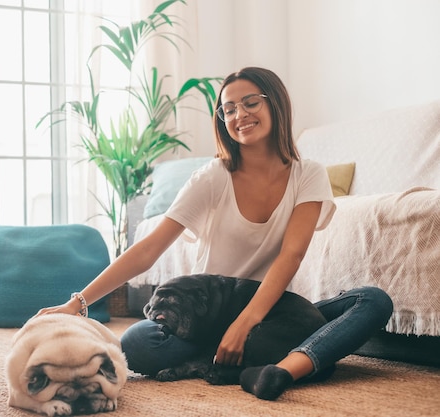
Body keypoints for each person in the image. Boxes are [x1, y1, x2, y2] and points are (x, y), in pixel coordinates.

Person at [36, 67, 394, 401]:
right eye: (229, 109)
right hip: (209, 318)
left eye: (251, 102)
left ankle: (281, 372)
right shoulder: (213, 176)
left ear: (276, 103)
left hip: (272, 314)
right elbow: (150, 248)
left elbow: (292, 255)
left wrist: (246, 322)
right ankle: (278, 359)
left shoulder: (308, 174)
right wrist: (78, 303)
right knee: (137, 344)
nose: (240, 115)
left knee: (373, 301)